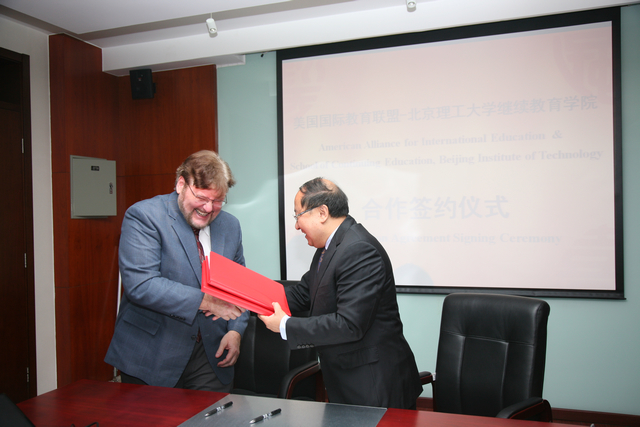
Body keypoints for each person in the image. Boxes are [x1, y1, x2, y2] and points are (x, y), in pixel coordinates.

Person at [259, 177, 423, 409]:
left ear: (322, 213)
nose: (296, 226)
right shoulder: (329, 247)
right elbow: (301, 294)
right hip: (347, 378)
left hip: (373, 383)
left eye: (298, 216)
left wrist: (285, 325)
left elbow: (349, 324)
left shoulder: (358, 249)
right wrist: (244, 300)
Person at [105, 150, 249, 391]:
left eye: (218, 201)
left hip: (211, 356)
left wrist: (235, 332)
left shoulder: (230, 226)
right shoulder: (145, 216)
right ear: (181, 184)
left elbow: (239, 288)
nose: (208, 208)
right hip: (153, 355)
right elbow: (142, 285)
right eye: (202, 197)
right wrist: (207, 301)